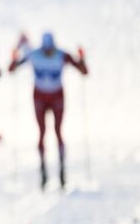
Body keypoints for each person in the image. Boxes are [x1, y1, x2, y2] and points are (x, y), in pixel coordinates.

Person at [8, 31, 88, 189]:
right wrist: (15, 53)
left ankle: (62, 171)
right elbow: (12, 68)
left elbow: (83, 71)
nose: (48, 52)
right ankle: (43, 171)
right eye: (46, 49)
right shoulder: (34, 54)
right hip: (40, 98)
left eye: (50, 49)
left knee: (58, 131)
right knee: (42, 132)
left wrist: (82, 58)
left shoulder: (61, 55)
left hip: (57, 97)